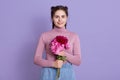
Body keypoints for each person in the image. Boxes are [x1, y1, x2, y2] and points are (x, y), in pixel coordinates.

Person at [34, 5, 81, 80]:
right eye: (57, 17)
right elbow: (36, 59)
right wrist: (53, 64)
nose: (60, 20)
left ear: (67, 18)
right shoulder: (44, 35)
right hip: (48, 73)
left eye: (63, 16)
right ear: (52, 18)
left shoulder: (74, 36)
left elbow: (78, 61)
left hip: (67, 74)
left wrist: (64, 54)